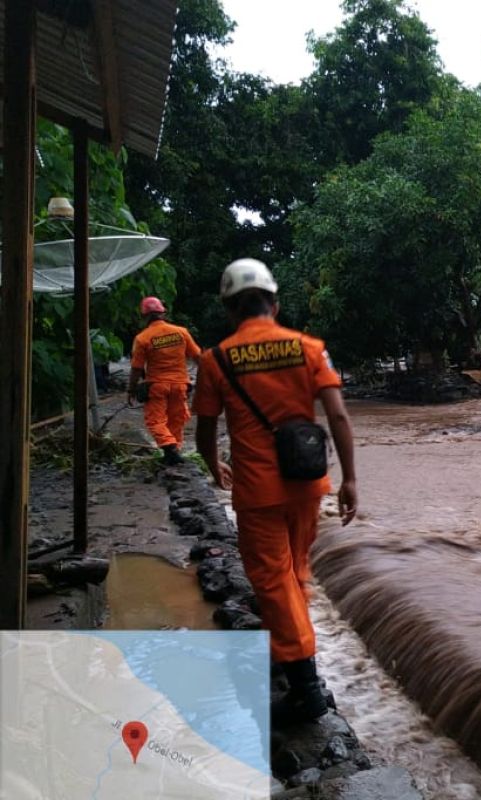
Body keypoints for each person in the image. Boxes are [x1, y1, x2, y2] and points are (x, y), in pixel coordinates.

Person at [192, 258, 357, 725]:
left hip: (257, 490)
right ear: (275, 303)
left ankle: (306, 689)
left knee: (272, 579)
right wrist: (351, 479)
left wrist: (210, 463)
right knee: (295, 570)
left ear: (229, 310)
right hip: (307, 483)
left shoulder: (216, 359)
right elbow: (339, 417)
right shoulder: (309, 348)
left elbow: (205, 428)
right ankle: (292, 643)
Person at [128, 296, 201, 465]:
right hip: (180, 385)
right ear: (162, 312)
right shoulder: (181, 332)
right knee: (177, 419)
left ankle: (169, 448)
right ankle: (173, 453)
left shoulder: (143, 338)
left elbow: (137, 368)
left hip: (157, 386)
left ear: (145, 316)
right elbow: (198, 357)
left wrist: (131, 389)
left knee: (155, 421)